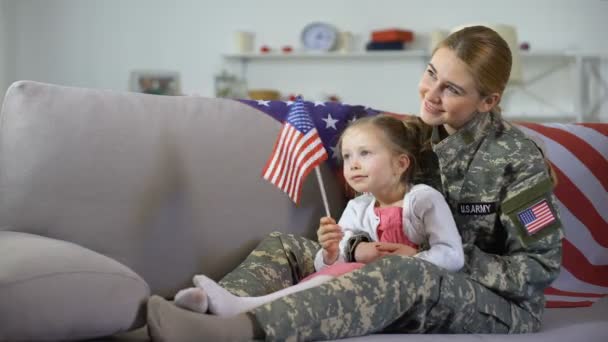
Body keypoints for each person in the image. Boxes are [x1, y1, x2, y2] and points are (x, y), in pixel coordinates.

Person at [146, 25, 564, 341]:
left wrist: (429, 255)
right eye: (431, 73)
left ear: (488, 101)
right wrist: (349, 247)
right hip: (405, 264)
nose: (430, 94)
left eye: (451, 89)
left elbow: (539, 269)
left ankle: (243, 330)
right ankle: (210, 308)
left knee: (404, 272)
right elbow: (361, 148)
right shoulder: (412, 137)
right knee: (286, 246)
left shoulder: (518, 159)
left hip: (500, 307)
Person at [171, 115, 464, 318]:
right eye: (347, 156)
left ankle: (245, 307)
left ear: (401, 163)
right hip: (356, 280)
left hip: (405, 292)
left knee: (339, 279)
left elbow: (452, 255)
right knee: (320, 267)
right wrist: (332, 251)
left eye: (365, 153)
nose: (353, 165)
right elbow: (330, 264)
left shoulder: (423, 199)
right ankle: (219, 299)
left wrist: (410, 259)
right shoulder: (357, 207)